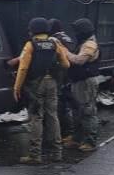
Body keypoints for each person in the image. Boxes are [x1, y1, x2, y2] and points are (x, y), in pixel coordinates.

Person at [14, 17, 71, 164]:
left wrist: (17, 87)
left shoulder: (30, 45)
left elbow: (23, 68)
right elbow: (66, 64)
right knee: (53, 115)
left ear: (32, 30)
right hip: (51, 83)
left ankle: (35, 155)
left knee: (36, 117)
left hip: (35, 86)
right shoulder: (54, 44)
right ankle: (57, 153)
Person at [64, 18, 100, 152]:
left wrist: (64, 52)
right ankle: (77, 139)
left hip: (86, 82)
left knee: (87, 111)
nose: (75, 33)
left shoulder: (90, 44)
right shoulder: (84, 43)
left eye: (77, 30)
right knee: (77, 111)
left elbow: (79, 60)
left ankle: (90, 142)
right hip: (78, 81)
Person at [49, 18, 77, 141]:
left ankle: (65, 133)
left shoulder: (54, 40)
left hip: (60, 74)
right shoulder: (67, 37)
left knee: (61, 105)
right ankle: (70, 132)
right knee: (68, 104)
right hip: (69, 74)